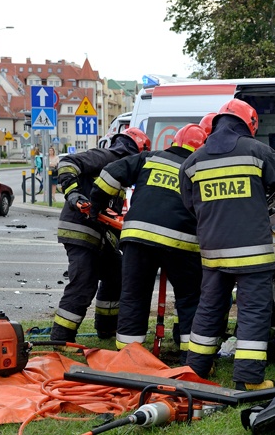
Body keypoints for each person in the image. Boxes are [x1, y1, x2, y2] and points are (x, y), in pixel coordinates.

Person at [179, 99, 275, 388]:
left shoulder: (193, 162)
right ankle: (248, 378)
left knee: (209, 308)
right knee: (253, 311)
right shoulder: (256, 151)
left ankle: (195, 370)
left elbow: (190, 204)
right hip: (252, 252)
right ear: (249, 124)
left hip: (213, 251)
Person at [89, 123, 207, 356]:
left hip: (138, 238)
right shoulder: (199, 170)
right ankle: (191, 356)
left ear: (174, 142)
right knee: (189, 298)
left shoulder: (149, 159)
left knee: (134, 295)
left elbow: (109, 175)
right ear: (200, 149)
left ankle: (129, 355)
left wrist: (96, 206)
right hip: (181, 243)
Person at [50, 128, 151, 342]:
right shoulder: (108, 157)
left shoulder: (120, 173)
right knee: (84, 282)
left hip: (100, 237)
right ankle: (61, 338)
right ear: (135, 152)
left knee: (116, 276)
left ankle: (107, 329)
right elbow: (67, 162)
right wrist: (74, 193)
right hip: (80, 230)